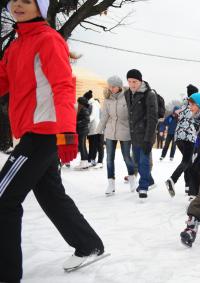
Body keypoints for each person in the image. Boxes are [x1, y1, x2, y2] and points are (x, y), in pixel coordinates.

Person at [0, 0, 104, 280]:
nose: (18, 5)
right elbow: (2, 80)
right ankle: (88, 244)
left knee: (4, 198)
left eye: (27, 1)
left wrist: (67, 134)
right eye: (14, 1)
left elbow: (62, 85)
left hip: (43, 132)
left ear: (40, 7)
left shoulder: (48, 40)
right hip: (33, 131)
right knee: (50, 194)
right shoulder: (16, 46)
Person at [96, 76, 136, 195]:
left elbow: (132, 115)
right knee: (109, 159)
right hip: (110, 132)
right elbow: (104, 116)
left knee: (127, 158)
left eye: (113, 86)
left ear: (119, 86)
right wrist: (99, 131)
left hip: (125, 131)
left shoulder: (128, 97)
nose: (111, 88)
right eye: (110, 86)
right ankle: (111, 184)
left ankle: (132, 179)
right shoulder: (107, 100)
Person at [124, 69, 158, 198]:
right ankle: (150, 180)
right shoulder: (128, 94)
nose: (132, 84)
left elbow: (152, 118)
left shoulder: (149, 94)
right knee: (137, 161)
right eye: (130, 81)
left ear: (141, 81)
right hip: (134, 134)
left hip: (145, 134)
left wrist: (149, 139)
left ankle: (143, 187)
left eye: (135, 81)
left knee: (144, 161)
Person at [165, 84, 199, 196]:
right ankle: (173, 179)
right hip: (189, 136)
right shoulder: (194, 104)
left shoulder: (183, 104)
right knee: (186, 161)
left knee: (188, 161)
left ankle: (187, 186)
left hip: (178, 136)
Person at [84, 90, 104, 169]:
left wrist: (85, 120)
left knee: (99, 146)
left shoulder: (94, 104)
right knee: (93, 145)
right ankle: (93, 160)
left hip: (96, 128)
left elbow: (92, 116)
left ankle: (100, 162)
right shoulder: (92, 104)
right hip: (94, 128)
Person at [75, 96, 91, 170]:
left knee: (82, 146)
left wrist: (77, 123)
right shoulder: (83, 109)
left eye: (78, 102)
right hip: (83, 130)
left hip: (82, 130)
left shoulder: (83, 109)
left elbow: (87, 120)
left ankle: (83, 162)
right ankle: (85, 162)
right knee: (83, 146)